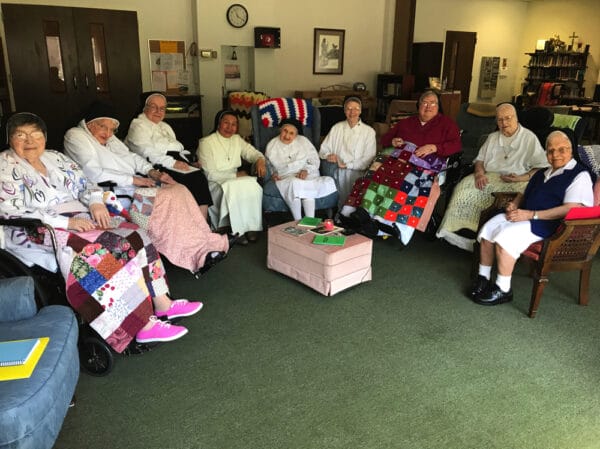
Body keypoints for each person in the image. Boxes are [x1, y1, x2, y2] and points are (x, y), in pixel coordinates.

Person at [0, 113, 204, 352]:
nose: (29, 141)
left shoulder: (55, 158)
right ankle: (140, 326)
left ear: (44, 137)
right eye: (20, 135)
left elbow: (86, 184)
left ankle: (162, 302)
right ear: (9, 139)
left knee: (134, 234)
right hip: (36, 228)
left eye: (35, 134)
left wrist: (95, 202)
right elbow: (10, 210)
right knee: (100, 251)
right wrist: (66, 224)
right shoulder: (4, 165)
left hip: (79, 215)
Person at [64, 101, 232, 274]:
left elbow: (132, 157)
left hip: (131, 186)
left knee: (180, 189)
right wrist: (134, 180)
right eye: (103, 127)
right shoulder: (76, 135)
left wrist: (152, 172)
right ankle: (193, 254)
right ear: (90, 124)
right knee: (168, 197)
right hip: (112, 192)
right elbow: (92, 172)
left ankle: (209, 243)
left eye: (111, 129)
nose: (108, 133)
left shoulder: (110, 138)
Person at [470, 130, 593, 306]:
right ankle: (483, 277)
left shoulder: (580, 175)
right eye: (550, 150)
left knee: (506, 237)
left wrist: (531, 215)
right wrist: (515, 203)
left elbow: (571, 209)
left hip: (551, 225)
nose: (555, 155)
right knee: (488, 228)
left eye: (561, 149)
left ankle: (503, 289)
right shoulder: (543, 172)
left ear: (571, 150)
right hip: (526, 215)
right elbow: (523, 193)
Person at [337, 90, 461, 244]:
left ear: (438, 106)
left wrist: (434, 147)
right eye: (424, 102)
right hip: (399, 159)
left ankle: (383, 221)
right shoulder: (407, 122)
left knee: (405, 181)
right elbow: (386, 138)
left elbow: (456, 146)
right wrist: (393, 141)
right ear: (419, 105)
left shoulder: (447, 124)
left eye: (433, 103)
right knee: (376, 171)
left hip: (425, 163)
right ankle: (361, 211)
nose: (428, 106)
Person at [437, 102, 549, 251]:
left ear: (516, 118)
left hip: (518, 179)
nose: (504, 123)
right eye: (500, 119)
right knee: (463, 189)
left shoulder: (529, 138)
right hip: (490, 176)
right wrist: (479, 173)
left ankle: (483, 237)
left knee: (499, 200)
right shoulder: (492, 137)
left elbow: (542, 166)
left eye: (508, 118)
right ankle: (459, 231)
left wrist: (523, 177)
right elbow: (479, 160)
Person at [124, 92, 213, 220]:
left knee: (199, 176)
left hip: (175, 161)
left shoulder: (165, 126)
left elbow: (179, 148)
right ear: (145, 108)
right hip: (158, 165)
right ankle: (197, 224)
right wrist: (172, 163)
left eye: (162, 108)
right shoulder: (138, 125)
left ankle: (202, 224)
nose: (158, 111)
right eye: (154, 107)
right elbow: (146, 152)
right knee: (195, 179)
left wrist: (190, 161)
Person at [197, 110, 266, 245]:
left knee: (252, 184)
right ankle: (237, 229)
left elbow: (253, 153)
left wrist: (260, 160)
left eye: (234, 124)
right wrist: (235, 175)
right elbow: (209, 174)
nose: (230, 127)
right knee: (237, 185)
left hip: (235, 179)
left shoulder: (237, 139)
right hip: (215, 182)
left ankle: (251, 226)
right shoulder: (206, 142)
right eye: (226, 123)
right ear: (218, 124)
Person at [265, 118, 337, 220]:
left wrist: (306, 170)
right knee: (293, 184)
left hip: (307, 173)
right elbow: (269, 164)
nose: (287, 136)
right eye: (285, 131)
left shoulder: (303, 141)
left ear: (296, 135)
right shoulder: (272, 145)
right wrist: (273, 173)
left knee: (307, 187)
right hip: (286, 176)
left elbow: (314, 159)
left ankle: (310, 221)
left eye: (291, 133)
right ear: (280, 130)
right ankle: (298, 221)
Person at [319, 96, 376, 206]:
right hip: (337, 171)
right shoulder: (337, 128)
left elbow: (368, 159)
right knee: (339, 200)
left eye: (356, 108)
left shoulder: (369, 132)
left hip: (359, 172)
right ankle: (338, 217)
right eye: (349, 109)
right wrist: (328, 156)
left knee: (355, 202)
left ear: (360, 111)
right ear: (344, 111)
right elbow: (323, 150)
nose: (352, 112)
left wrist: (347, 165)